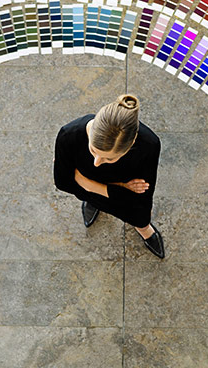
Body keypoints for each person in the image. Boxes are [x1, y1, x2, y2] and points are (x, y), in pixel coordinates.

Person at [53, 94, 165, 258]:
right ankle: (94, 203)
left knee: (140, 214)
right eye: (93, 150)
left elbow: (141, 198)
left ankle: (144, 229)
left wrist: (84, 181)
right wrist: (121, 186)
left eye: (109, 158)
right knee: (93, 198)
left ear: (131, 145)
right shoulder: (68, 135)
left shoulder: (149, 145)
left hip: (94, 187)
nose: (96, 163)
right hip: (101, 191)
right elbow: (62, 183)